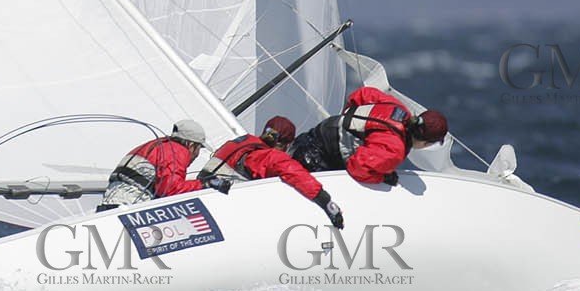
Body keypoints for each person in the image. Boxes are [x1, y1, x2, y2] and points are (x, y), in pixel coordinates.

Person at [203, 116, 345, 228]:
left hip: (204, 196)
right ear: (287, 144)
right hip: (221, 208)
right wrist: (325, 201)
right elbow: (295, 174)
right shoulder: (270, 156)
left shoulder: (243, 142)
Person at [288, 86, 448, 185]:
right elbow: (358, 168)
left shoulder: (398, 109)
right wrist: (382, 177)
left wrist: (348, 118)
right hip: (314, 159)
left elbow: (363, 93)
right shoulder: (395, 150)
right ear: (427, 143)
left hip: (313, 134)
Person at [95, 119, 223, 211]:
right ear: (191, 145)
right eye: (199, 148)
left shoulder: (151, 146)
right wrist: (205, 184)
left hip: (110, 204)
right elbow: (171, 190)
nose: (197, 154)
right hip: (130, 207)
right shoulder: (177, 151)